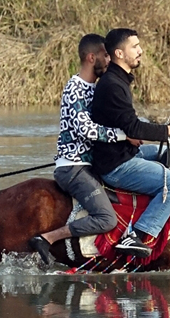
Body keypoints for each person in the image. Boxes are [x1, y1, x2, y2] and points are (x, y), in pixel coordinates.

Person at [89, 28, 170, 257]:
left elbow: (129, 123)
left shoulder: (119, 80)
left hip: (128, 153)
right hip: (117, 166)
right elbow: (133, 128)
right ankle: (135, 235)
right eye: (134, 47)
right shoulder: (113, 85)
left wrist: (160, 130)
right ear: (119, 53)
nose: (140, 51)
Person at [28, 34, 126, 265]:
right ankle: (47, 238)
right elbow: (86, 130)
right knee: (106, 218)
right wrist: (123, 135)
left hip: (89, 166)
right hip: (74, 169)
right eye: (105, 55)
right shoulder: (75, 88)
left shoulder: (94, 88)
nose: (109, 59)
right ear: (92, 58)